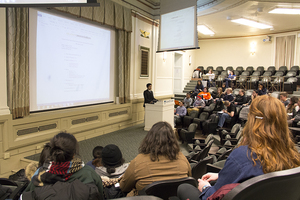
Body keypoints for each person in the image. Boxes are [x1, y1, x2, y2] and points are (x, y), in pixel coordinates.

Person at [177, 95, 300, 200]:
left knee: (184, 187)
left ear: (253, 121)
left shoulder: (245, 155)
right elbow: (260, 180)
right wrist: (221, 176)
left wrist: (205, 188)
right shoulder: (292, 154)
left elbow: (215, 195)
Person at [120, 122, 191, 196]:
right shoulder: (182, 159)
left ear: (149, 138)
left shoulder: (137, 162)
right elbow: (189, 180)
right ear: (173, 139)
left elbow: (124, 187)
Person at [23, 132, 104, 199]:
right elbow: (100, 196)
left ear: (52, 152)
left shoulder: (39, 175)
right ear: (74, 154)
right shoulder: (88, 173)